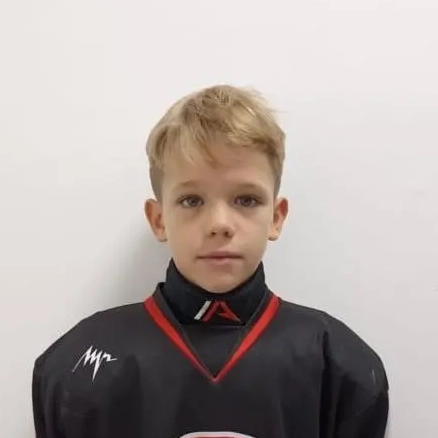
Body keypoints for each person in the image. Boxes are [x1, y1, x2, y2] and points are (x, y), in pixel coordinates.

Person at [32, 84, 389, 438]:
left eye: (246, 200)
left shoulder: (341, 366)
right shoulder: (77, 367)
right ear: (158, 219)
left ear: (276, 217)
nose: (219, 224)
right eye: (191, 201)